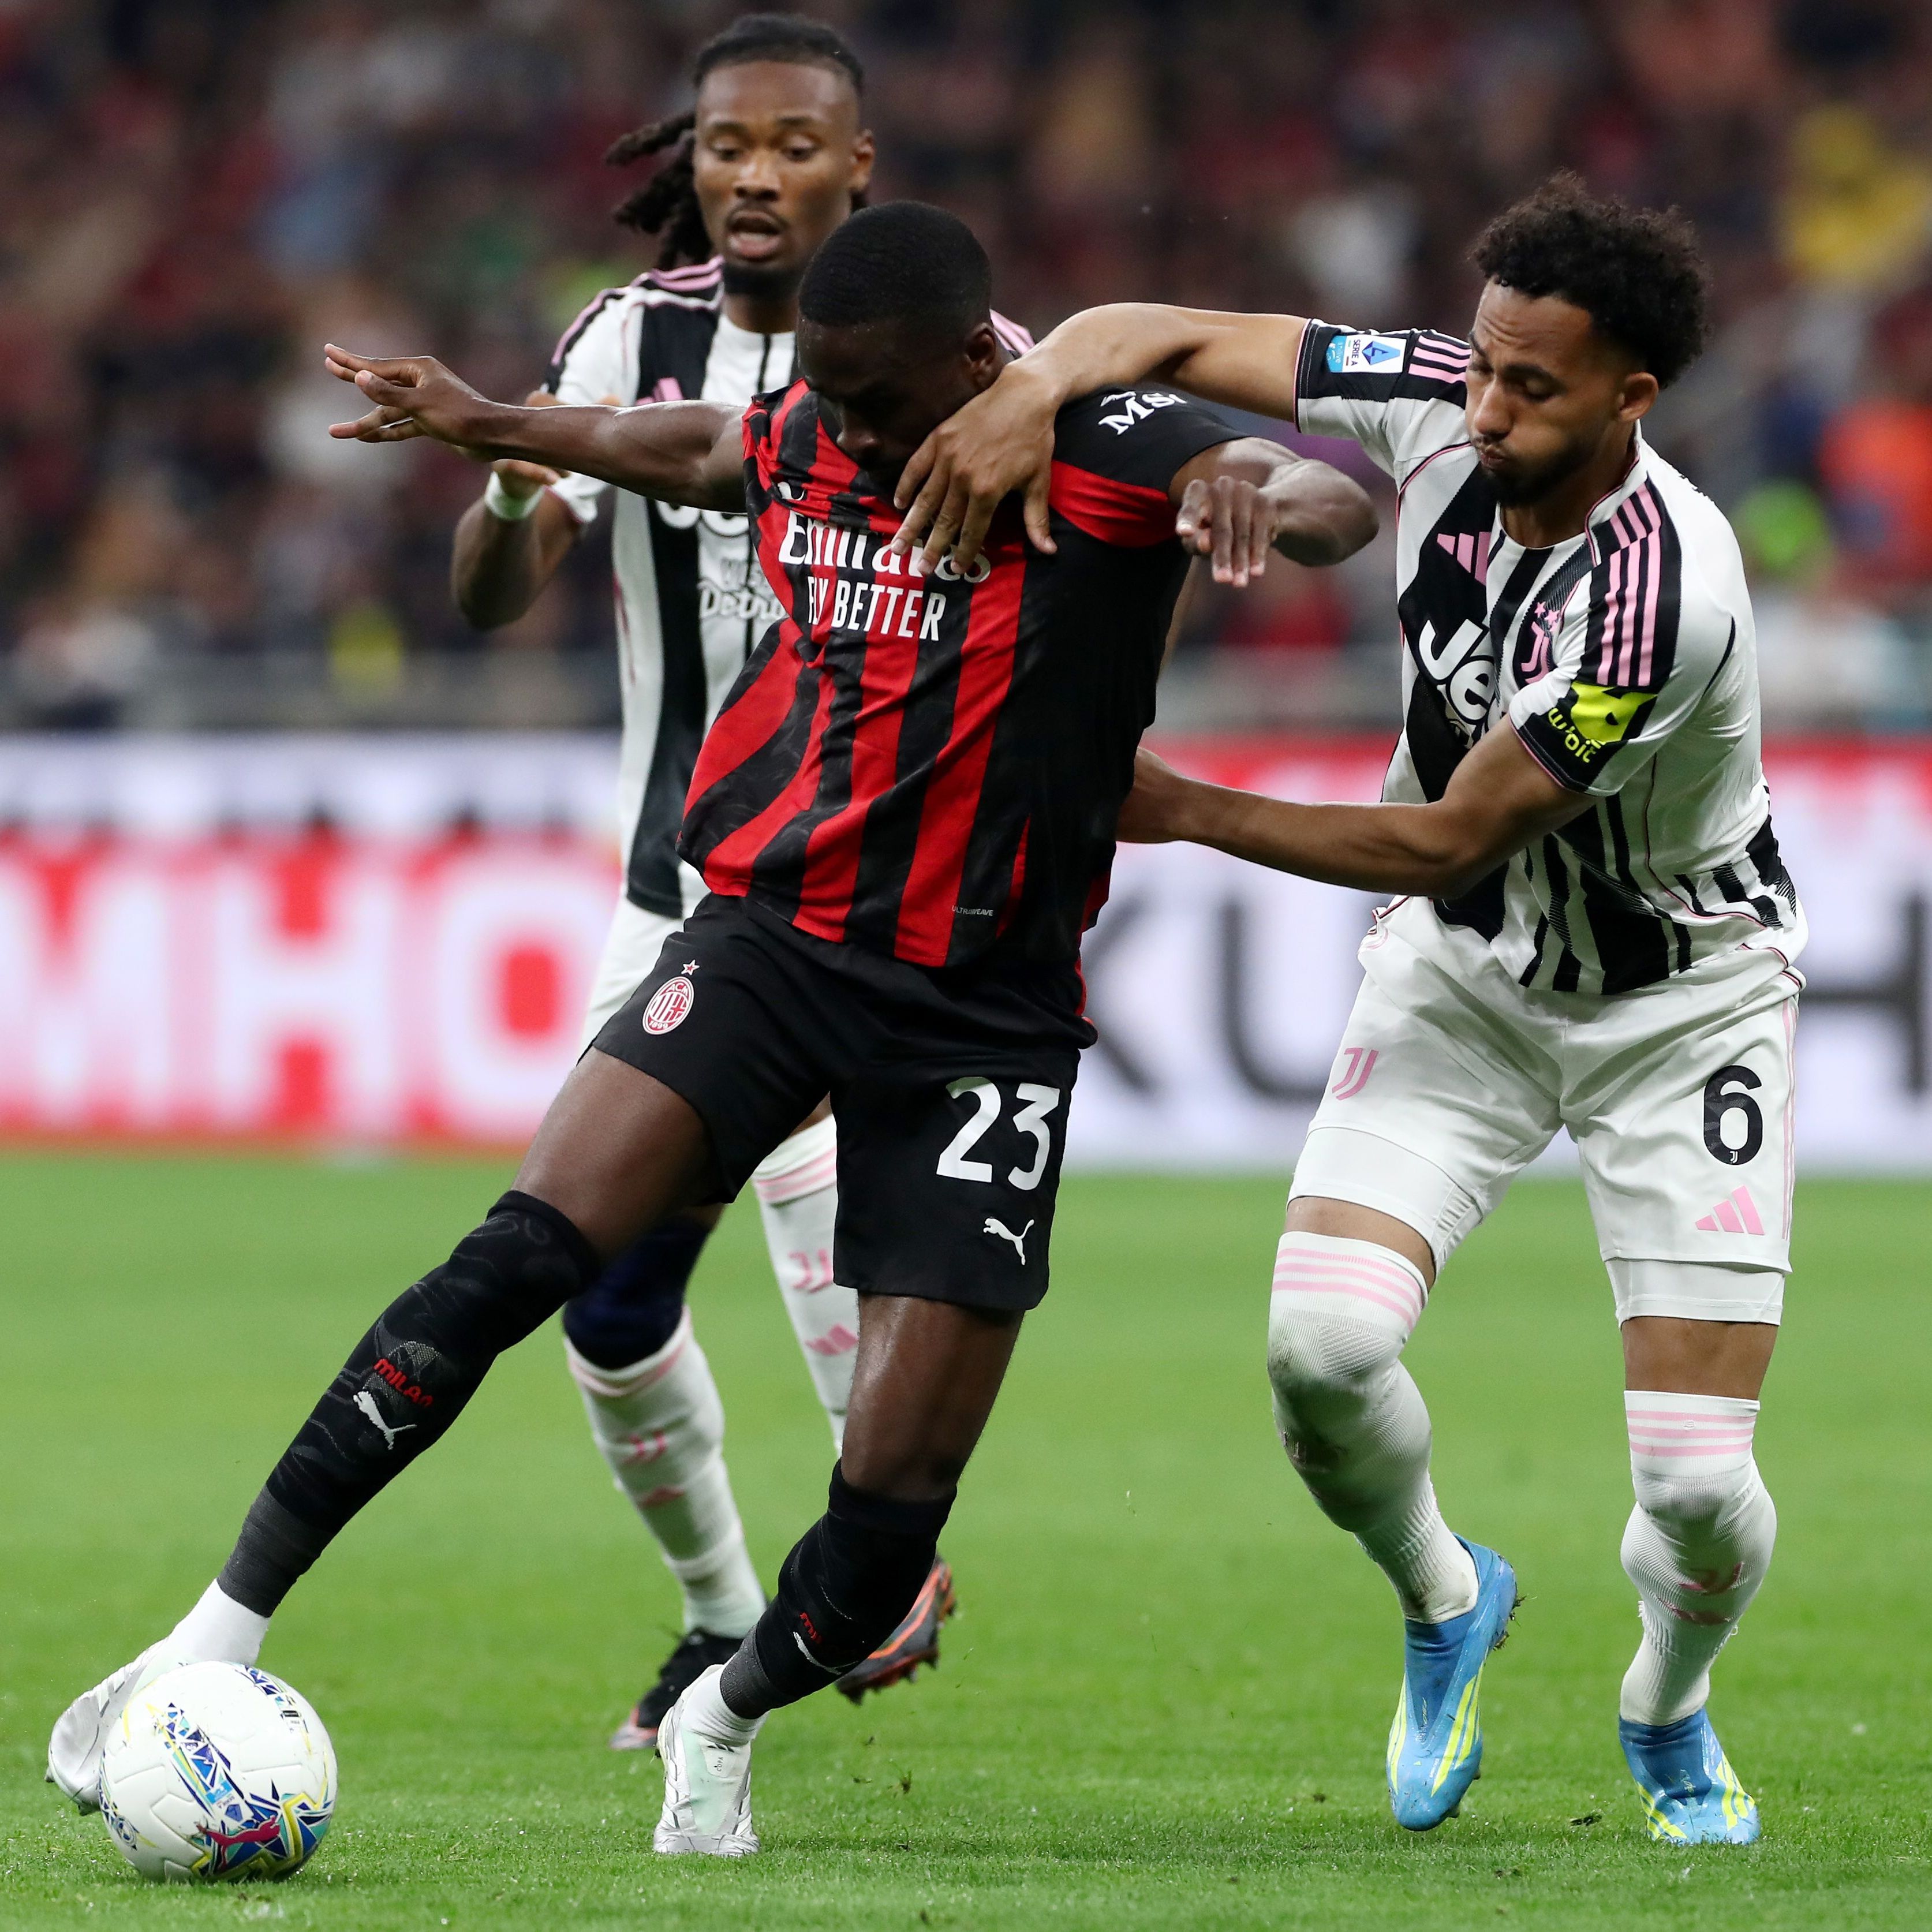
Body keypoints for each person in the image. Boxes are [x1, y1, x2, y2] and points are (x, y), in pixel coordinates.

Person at [47, 201, 1377, 1857]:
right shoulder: (817, 423)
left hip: (984, 1013)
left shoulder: (1105, 442)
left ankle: (724, 1710)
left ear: (976, 366)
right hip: (770, 939)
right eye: (831, 398)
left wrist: (1252, 484)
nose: (851, 432)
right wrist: (495, 422)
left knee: (890, 1514)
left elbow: (1339, 496)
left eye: (878, 402)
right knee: (512, 1262)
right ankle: (208, 1637)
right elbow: (691, 446)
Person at [892, 174, 1799, 1848]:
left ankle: (1665, 1703)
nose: (1485, 408)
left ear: (1631, 397)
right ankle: (1447, 1597)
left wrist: (1173, 804)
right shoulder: (1441, 393)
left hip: (1680, 1012)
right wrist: (1035, 389)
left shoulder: (1661, 594)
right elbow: (1155, 333)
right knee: (1319, 1352)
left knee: (1691, 1480)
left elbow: (1450, 833)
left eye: (1533, 387)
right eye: (1484, 365)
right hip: (1464, 979)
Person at [454, 13, 1030, 1743]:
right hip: (675, 893)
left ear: (859, 164)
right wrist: (513, 487)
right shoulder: (627, 338)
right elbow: (491, 596)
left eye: (792, 144)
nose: (755, 174)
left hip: (875, 893)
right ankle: (725, 1613)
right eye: (725, 145)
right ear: (690, 162)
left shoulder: (970, 357)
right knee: (606, 1305)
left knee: (817, 1213)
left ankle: (872, 1563)